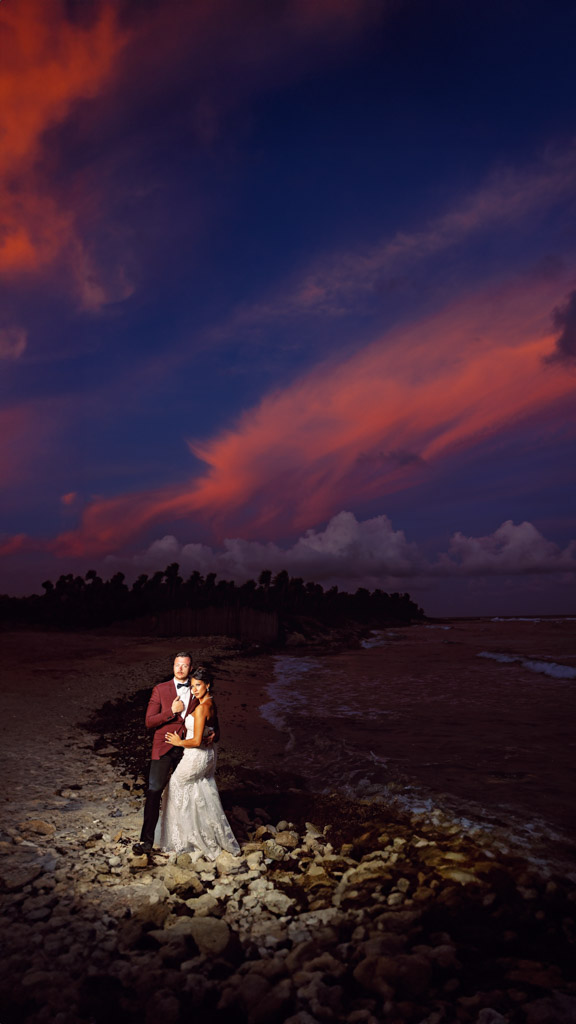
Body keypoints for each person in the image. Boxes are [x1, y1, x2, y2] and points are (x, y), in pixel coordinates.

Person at [133, 652, 216, 856]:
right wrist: (171, 711)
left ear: (190, 668)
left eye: (185, 665)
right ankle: (146, 841)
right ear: (173, 666)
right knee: (154, 791)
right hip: (163, 746)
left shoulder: (198, 689)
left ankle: (186, 838)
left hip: (188, 749)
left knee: (186, 792)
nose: (180, 669)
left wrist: (214, 733)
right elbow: (149, 722)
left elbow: (212, 716)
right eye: (177, 665)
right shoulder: (160, 690)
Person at [156, 667, 240, 859]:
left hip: (197, 756)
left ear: (208, 685)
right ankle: (206, 834)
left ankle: (184, 839)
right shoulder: (211, 703)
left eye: (198, 685)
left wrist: (178, 742)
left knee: (176, 785)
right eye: (192, 686)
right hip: (208, 755)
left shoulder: (202, 708)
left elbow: (195, 742)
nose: (194, 690)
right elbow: (216, 732)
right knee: (199, 789)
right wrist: (212, 735)